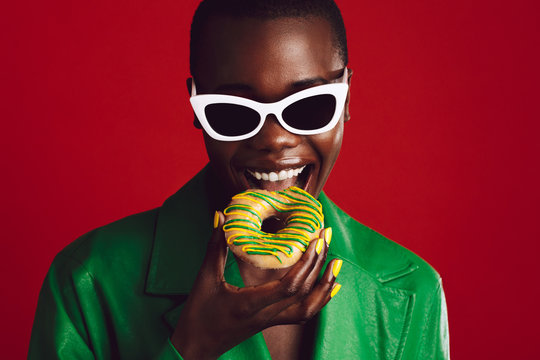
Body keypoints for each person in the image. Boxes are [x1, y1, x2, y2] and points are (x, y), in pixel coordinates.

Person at [29, 0, 449, 359]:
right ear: (197, 108)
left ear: (346, 99)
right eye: (234, 112)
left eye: (310, 106)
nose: (275, 140)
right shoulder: (88, 281)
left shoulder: (409, 291)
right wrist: (192, 347)